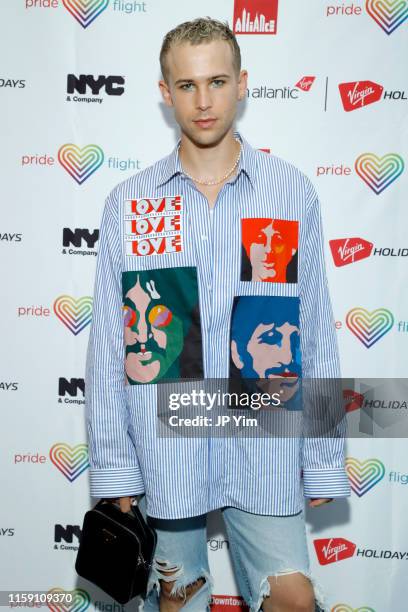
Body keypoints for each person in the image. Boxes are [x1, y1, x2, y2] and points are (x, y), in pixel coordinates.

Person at [85, 17, 350, 612]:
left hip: (265, 447)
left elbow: (315, 330)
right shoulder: (129, 204)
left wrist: (325, 461)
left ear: (243, 84)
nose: (203, 101)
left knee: (293, 602)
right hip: (166, 457)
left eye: (218, 82)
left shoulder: (290, 192)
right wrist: (116, 472)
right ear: (164, 91)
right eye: (186, 85)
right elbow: (108, 347)